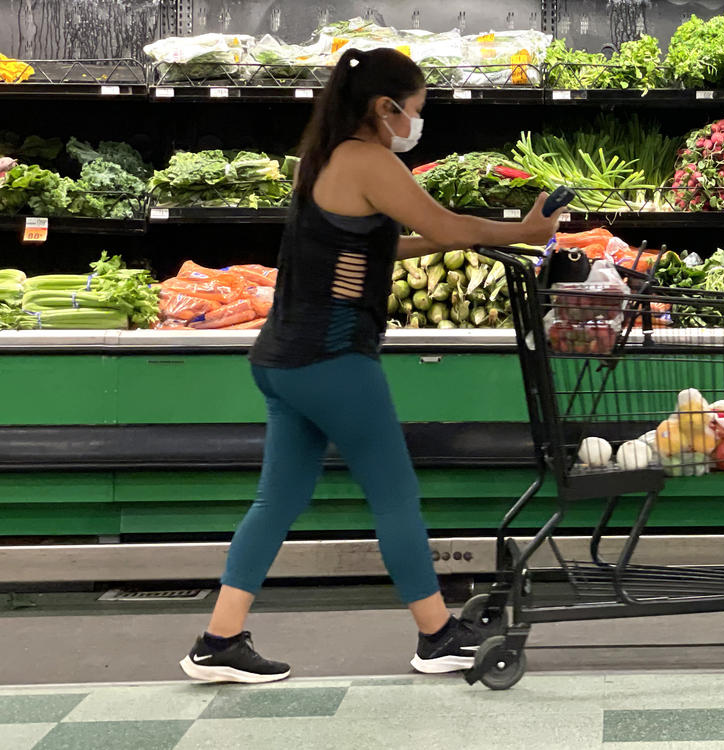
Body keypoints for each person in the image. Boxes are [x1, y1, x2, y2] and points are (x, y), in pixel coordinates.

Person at [179, 47, 564, 684]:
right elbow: (440, 222)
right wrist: (521, 233)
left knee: (277, 501)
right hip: (331, 362)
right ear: (385, 109)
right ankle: (437, 635)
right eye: (414, 111)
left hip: (282, 359)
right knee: (395, 497)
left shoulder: (327, 157)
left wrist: (486, 235)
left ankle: (217, 642)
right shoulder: (368, 160)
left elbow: (392, 241)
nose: (417, 123)